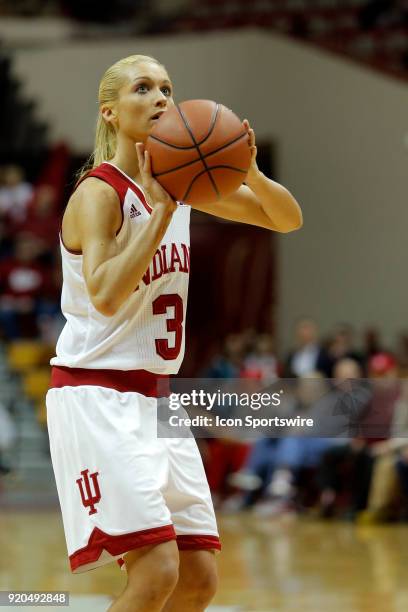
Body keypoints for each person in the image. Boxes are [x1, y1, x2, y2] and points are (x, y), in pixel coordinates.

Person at [45, 53, 302, 612]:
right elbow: (108, 295)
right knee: (156, 570)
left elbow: (286, 219)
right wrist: (159, 215)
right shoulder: (99, 193)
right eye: (144, 87)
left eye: (167, 87)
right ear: (110, 111)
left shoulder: (183, 183)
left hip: (157, 401)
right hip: (98, 394)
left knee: (199, 578)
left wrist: (250, 171)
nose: (161, 97)